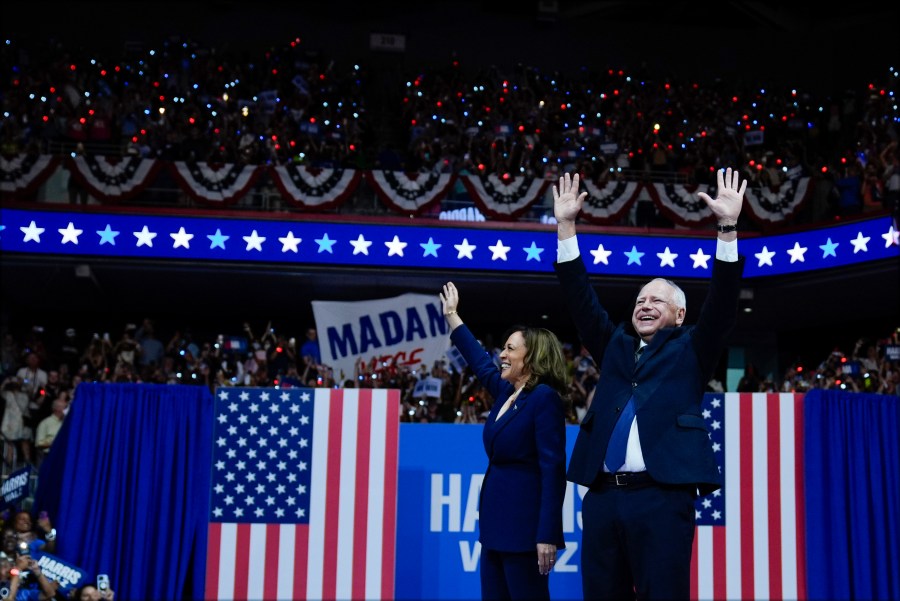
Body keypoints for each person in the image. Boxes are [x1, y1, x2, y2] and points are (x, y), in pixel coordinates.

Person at [551, 167, 747, 600]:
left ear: (679, 316)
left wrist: (728, 228)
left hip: (662, 498)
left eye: (657, 300)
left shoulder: (692, 348)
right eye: (641, 299)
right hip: (602, 498)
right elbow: (582, 301)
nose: (645, 304)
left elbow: (722, 305)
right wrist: (566, 227)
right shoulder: (616, 345)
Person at [439, 282, 568, 600]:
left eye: (511, 348)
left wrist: (547, 534)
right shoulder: (507, 394)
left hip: (525, 531)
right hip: (495, 526)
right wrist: (453, 317)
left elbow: (553, 471)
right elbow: (480, 363)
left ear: (532, 357)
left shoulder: (543, 399)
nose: (503, 354)